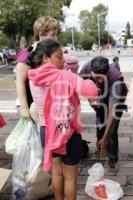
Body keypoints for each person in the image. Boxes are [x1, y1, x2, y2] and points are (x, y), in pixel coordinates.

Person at [28, 39, 98, 200]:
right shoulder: (65, 76)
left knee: (56, 174)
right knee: (70, 177)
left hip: (47, 131)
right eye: (59, 57)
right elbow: (90, 91)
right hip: (68, 132)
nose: (63, 60)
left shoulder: (33, 78)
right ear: (46, 58)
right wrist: (86, 80)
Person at [79, 56, 128, 175]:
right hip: (99, 98)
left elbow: (112, 112)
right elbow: (81, 85)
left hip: (117, 101)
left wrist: (105, 139)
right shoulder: (86, 67)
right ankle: (100, 147)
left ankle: (112, 159)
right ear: (91, 70)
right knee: (100, 123)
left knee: (111, 130)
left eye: (103, 78)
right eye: (97, 78)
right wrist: (91, 100)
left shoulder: (116, 79)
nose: (100, 81)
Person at [15, 16, 59, 120]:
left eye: (56, 34)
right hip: (34, 108)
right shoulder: (27, 54)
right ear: (41, 35)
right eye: (53, 35)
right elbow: (19, 82)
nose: (56, 38)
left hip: (51, 106)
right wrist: (25, 108)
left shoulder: (51, 53)